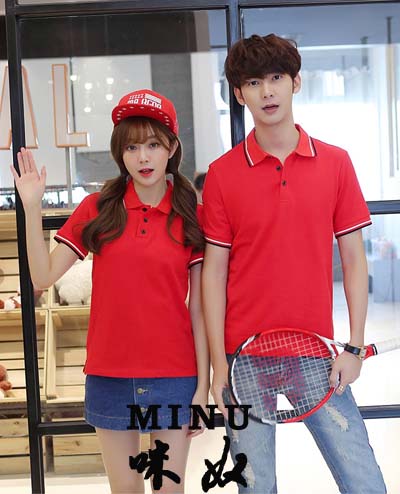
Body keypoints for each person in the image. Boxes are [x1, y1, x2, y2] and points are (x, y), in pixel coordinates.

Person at [201, 34, 386, 493]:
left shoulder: (336, 163)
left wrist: (354, 346)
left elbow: (354, 260)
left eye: (276, 78)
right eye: (253, 82)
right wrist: (219, 365)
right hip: (243, 361)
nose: (267, 91)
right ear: (239, 94)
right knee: (256, 487)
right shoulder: (223, 174)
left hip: (316, 354)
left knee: (364, 482)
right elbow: (213, 274)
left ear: (296, 83)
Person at [11, 89, 209, 494]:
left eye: (153, 145)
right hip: (109, 376)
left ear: (171, 148)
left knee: (169, 490)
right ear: (120, 153)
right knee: (126, 491)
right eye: (132, 147)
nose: (143, 157)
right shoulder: (98, 208)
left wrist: (202, 388)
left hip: (174, 375)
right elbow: (43, 276)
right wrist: (32, 207)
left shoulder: (190, 214)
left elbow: (200, 311)